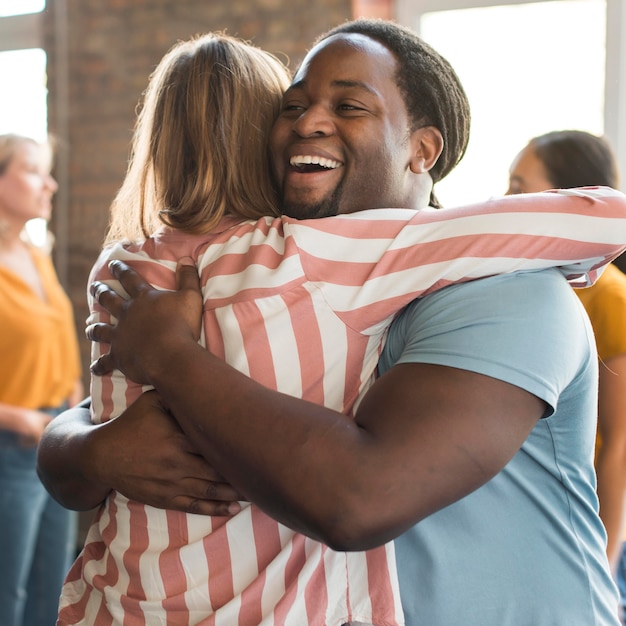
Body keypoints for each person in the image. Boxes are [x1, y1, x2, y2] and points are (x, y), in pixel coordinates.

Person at [38, 19, 626, 625]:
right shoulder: (259, 279)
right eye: (291, 106)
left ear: (423, 150)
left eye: (349, 106)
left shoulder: (507, 294)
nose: (308, 122)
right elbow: (101, 419)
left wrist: (171, 358)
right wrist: (88, 448)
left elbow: (359, 500)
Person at [507, 128, 626, 619]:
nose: (505, 201)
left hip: (580, 524)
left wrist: (604, 562)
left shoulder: (609, 298)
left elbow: (621, 441)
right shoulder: (526, 284)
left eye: (518, 188)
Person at [0, 133, 83, 626]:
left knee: (53, 592)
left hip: (54, 436)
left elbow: (53, 336)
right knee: (7, 595)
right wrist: (21, 419)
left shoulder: (34, 253)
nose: (49, 184)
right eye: (33, 170)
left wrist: (72, 389)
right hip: (13, 445)